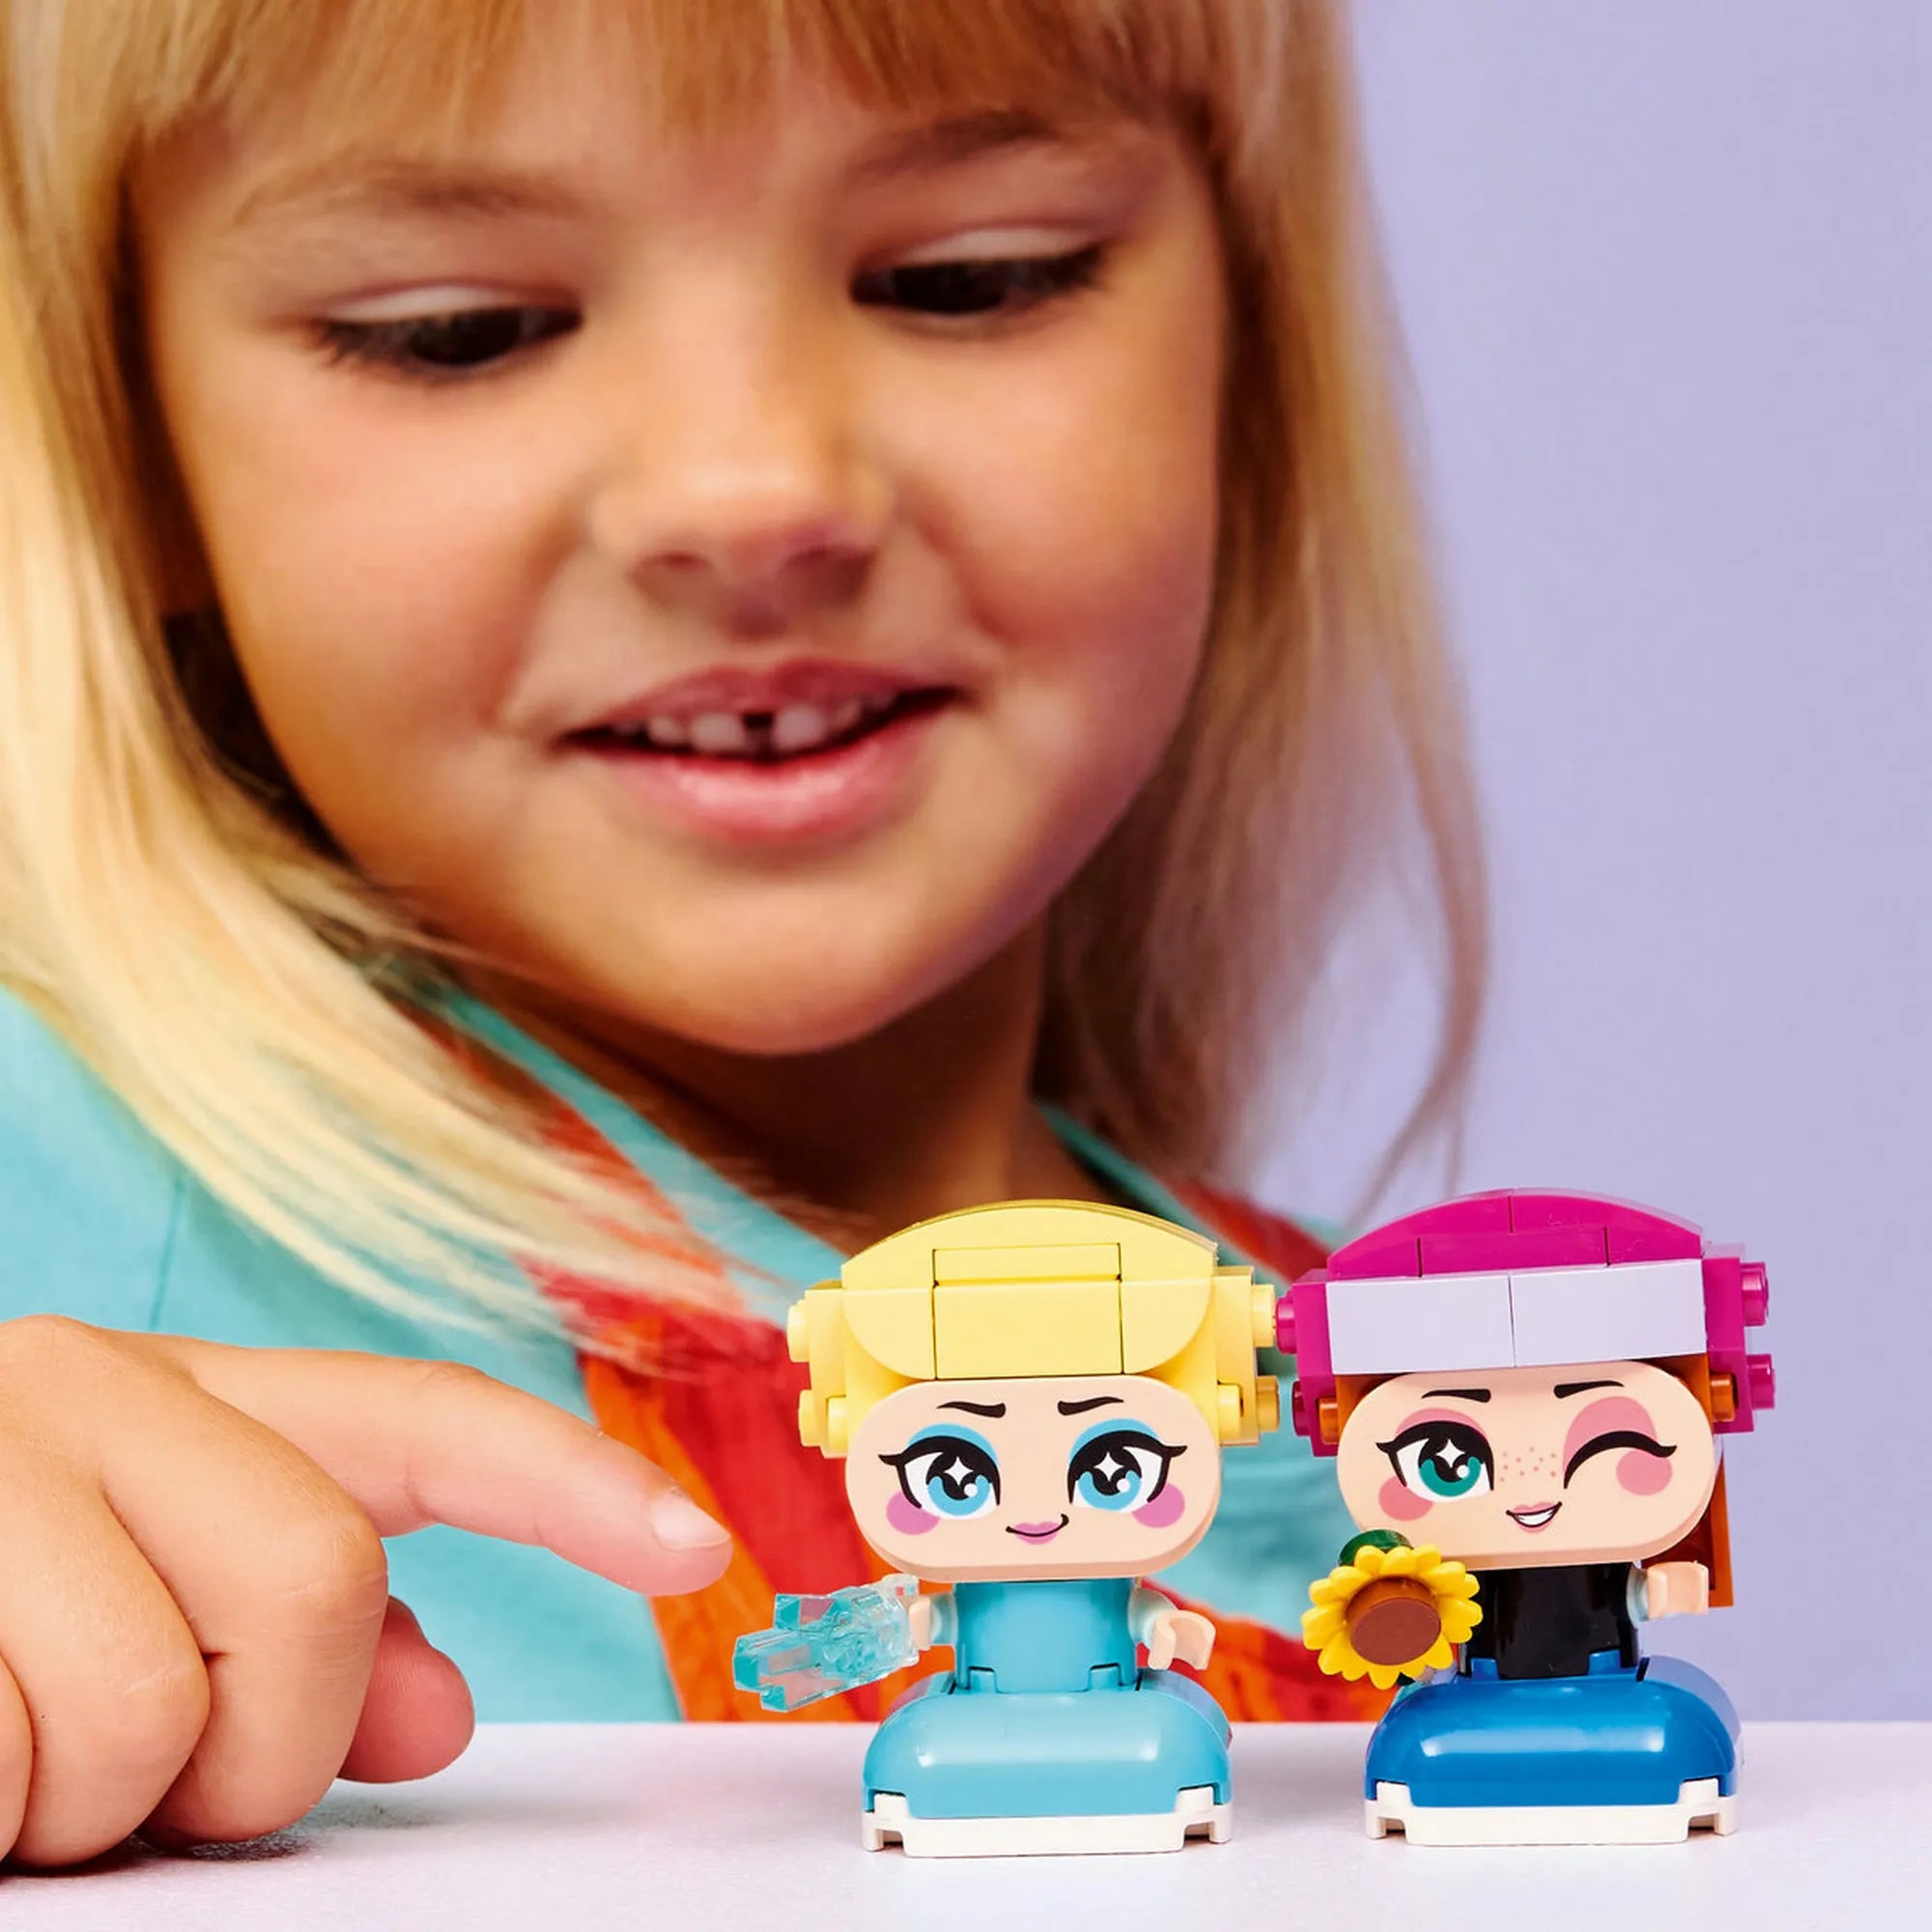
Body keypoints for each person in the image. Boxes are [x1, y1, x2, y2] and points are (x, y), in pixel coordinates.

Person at [0, 0, 1484, 1870]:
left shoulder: (1428, 1424)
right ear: (122, 435)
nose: (755, 490)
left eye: (971, 279)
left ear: (1243, 357)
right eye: (457, 328)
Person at [734, 1200, 1277, 1855]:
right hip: (983, 1700)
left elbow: (1139, 1613)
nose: (1038, 1515)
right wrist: (885, 1629)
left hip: (1109, 1695)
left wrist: (1163, 1627)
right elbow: (935, 1620)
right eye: (953, 1474)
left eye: (1112, 1469)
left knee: (1173, 1730)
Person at [1282, 1189, 1776, 1844]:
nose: (1532, 1483)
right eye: (1446, 1455)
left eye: (1603, 1440)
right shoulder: (1439, 1576)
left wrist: (1658, 1589)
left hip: (1605, 1667)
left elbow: (1633, 1593)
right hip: (1479, 1674)